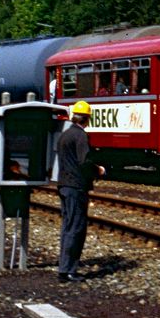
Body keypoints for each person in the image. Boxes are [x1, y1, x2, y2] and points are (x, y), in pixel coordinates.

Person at [56, 100, 104, 283]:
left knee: (67, 227)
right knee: (76, 228)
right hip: (76, 187)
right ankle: (69, 271)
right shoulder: (81, 136)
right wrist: (98, 170)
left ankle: (64, 268)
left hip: (64, 185)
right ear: (87, 118)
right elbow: (84, 162)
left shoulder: (65, 135)